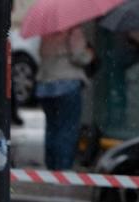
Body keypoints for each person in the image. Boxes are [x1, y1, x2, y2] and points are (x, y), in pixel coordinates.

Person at [35, 24, 92, 170]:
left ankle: (51, 165)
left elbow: (41, 53)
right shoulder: (73, 28)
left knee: (52, 128)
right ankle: (63, 169)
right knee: (67, 129)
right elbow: (80, 56)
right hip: (68, 85)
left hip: (46, 86)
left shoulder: (46, 31)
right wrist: (89, 53)